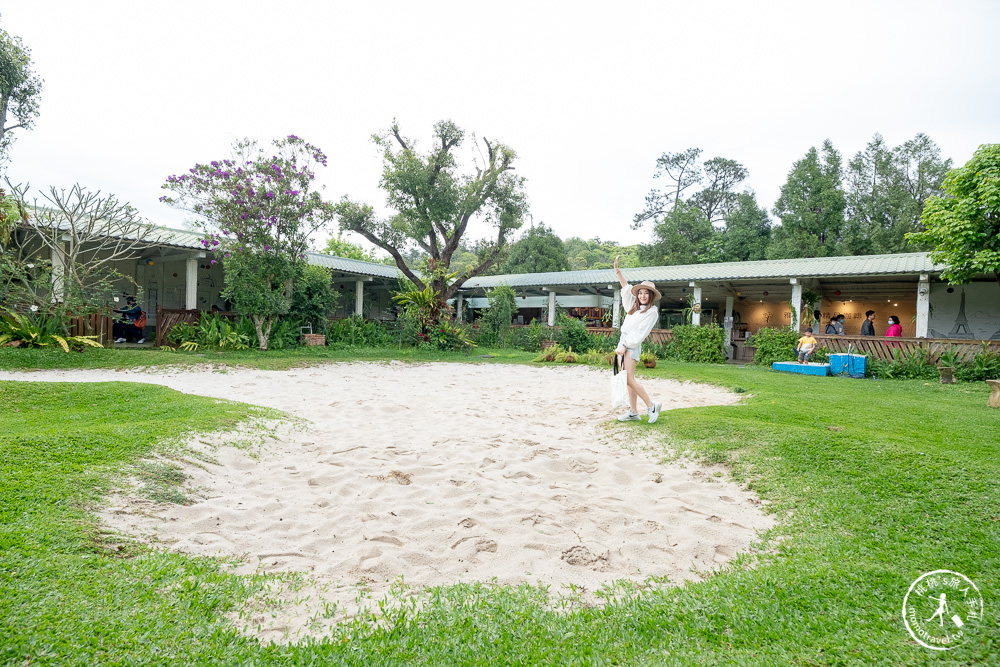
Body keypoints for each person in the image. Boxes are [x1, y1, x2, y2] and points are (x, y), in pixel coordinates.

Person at [613, 255, 662, 423]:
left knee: (628, 378)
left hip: (631, 344)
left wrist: (626, 345)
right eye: (640, 293)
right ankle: (633, 412)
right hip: (624, 340)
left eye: (645, 293)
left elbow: (641, 333)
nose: (642, 296)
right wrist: (618, 272)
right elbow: (626, 288)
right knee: (627, 379)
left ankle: (651, 405)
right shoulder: (633, 308)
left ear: (651, 296)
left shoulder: (651, 312)